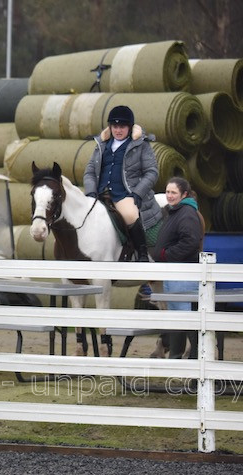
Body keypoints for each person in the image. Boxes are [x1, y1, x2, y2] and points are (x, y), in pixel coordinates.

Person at [83, 105, 161, 262]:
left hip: (124, 194)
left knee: (130, 215)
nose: (118, 130)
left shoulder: (141, 145)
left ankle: (142, 253)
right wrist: (91, 192)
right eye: (115, 126)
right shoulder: (101, 145)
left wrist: (137, 193)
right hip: (100, 193)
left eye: (122, 127)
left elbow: (152, 172)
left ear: (130, 127)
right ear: (110, 127)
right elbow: (90, 172)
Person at [151, 177, 205, 360]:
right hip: (174, 273)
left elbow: (190, 241)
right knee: (177, 316)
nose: (169, 195)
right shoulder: (175, 211)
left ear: (184, 194)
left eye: (173, 192)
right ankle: (177, 357)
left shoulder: (187, 213)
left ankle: (194, 357)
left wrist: (167, 255)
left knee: (183, 317)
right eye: (167, 192)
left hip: (183, 274)